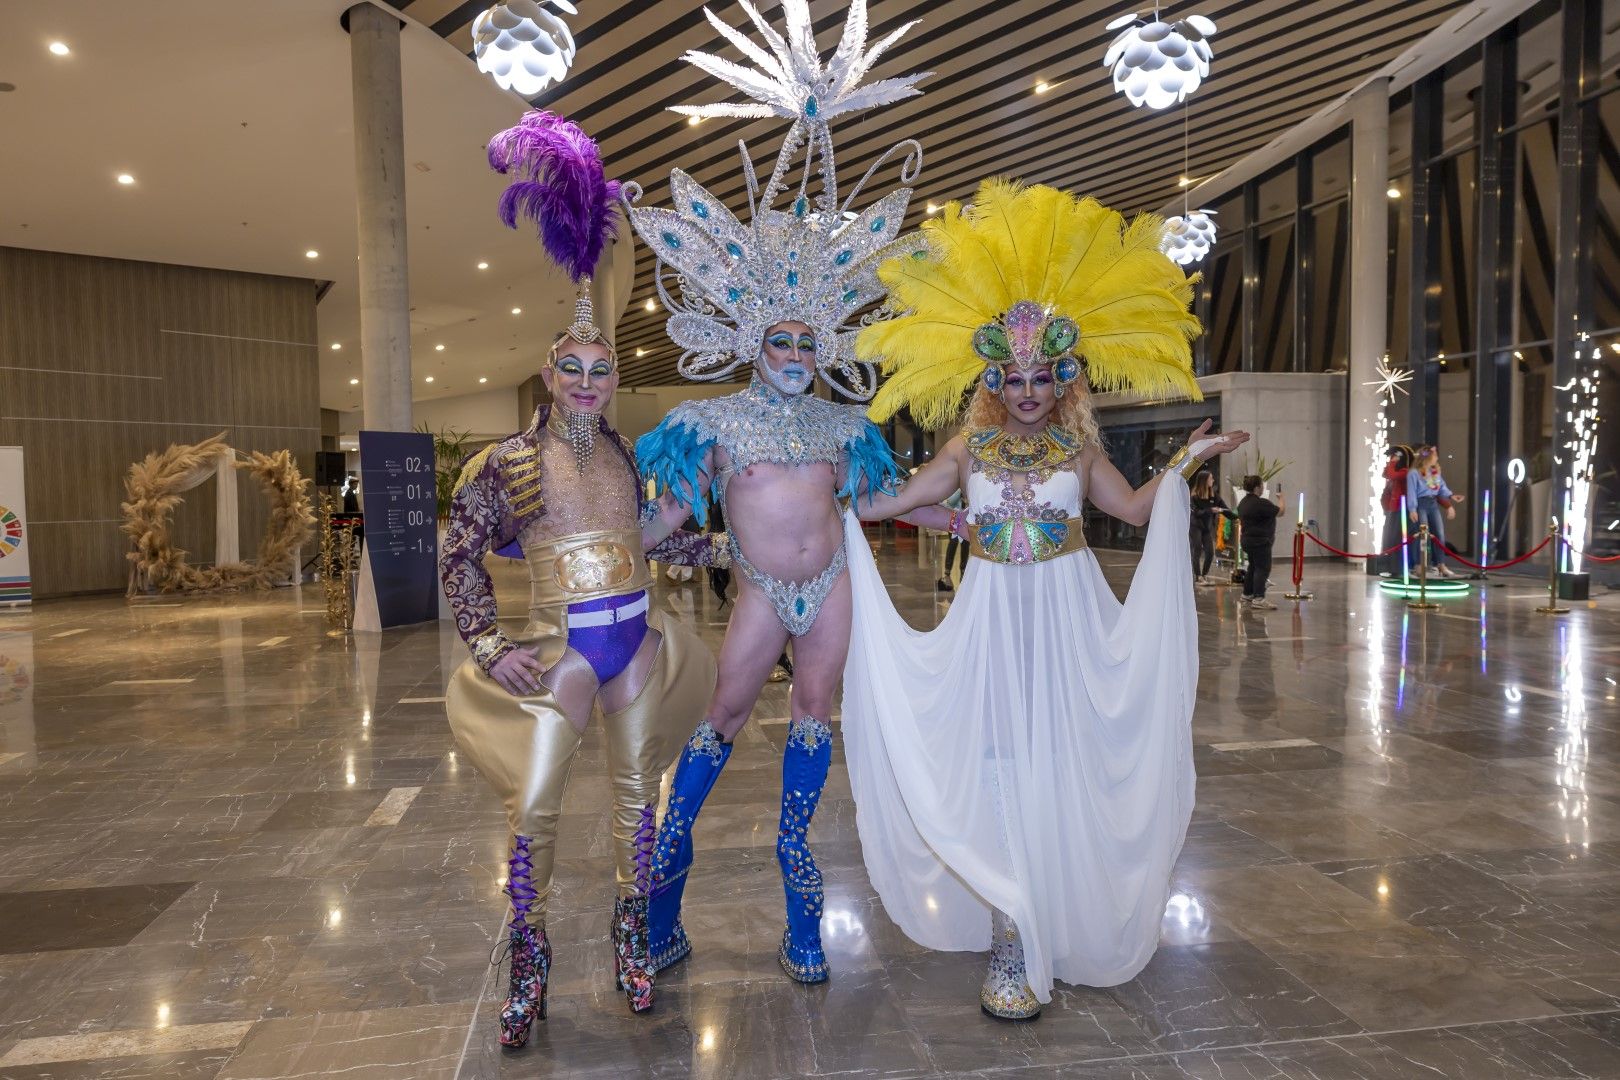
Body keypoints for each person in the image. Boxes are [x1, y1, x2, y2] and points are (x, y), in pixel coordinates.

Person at [838, 180, 1249, 1019]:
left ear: (1063, 376)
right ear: (993, 375)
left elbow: (1132, 510)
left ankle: (1051, 911)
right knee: (995, 760)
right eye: (1013, 376)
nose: (1027, 390)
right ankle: (1008, 928)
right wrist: (836, 480)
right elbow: (891, 502)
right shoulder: (966, 446)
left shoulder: (1079, 446)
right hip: (990, 618)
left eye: (1041, 376)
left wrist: (1185, 464)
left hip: (1066, 617)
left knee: (1056, 755)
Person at [623, 0, 950, 985]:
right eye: (784, 340)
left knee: (817, 710)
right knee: (723, 712)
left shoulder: (850, 429)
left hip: (836, 584)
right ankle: (666, 869)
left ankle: (797, 874)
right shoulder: (712, 425)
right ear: (750, 344)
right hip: (763, 587)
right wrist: (608, 541)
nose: (800, 353)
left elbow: (884, 506)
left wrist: (977, 511)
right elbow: (670, 517)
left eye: (811, 339)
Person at [439, 112, 723, 1050]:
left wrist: (718, 541)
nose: (592, 379)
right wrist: (488, 645)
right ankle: (529, 956)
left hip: (635, 644)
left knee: (640, 803)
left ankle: (631, 939)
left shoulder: (629, 457)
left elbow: (649, 548)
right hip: (560, 651)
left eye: (604, 367)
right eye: (575, 368)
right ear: (550, 375)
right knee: (538, 807)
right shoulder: (510, 464)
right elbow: (459, 551)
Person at [1407, 445, 1462, 576]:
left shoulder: (1434, 472)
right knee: (1422, 534)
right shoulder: (1414, 473)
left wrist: (1451, 496)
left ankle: (1441, 565)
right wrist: (1412, 509)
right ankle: (1419, 565)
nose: (1437, 457)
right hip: (1421, 504)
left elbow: (1441, 487)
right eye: (1435, 455)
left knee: (1439, 534)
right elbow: (1411, 492)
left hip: (1433, 504)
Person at [1236, 475, 1280, 609]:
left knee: (1253, 567)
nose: (1263, 488)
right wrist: (1280, 498)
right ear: (1257, 488)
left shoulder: (1243, 502)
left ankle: (1247, 594)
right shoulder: (1261, 503)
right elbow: (1280, 511)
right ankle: (1259, 598)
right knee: (1263, 568)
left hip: (1247, 541)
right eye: (1262, 485)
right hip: (1260, 542)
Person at [1188, 471, 1233, 584]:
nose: (1213, 481)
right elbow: (1196, 512)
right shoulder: (1194, 496)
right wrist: (1210, 510)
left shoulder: (1214, 496)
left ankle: (1204, 575)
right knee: (1197, 549)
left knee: (1210, 553)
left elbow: (1225, 510)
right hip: (1195, 526)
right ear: (1204, 481)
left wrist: (1237, 517)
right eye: (1210, 479)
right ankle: (1198, 576)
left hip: (1206, 528)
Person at [1379, 445, 1413, 576]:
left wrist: (1393, 462)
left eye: (1395, 457)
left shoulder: (1405, 472)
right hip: (1392, 510)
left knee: (1397, 539)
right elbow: (1386, 474)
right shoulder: (1396, 474)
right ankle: (1392, 568)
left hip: (1401, 510)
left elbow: (1392, 474)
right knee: (1390, 540)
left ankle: (1399, 569)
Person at [937, 489, 968, 591]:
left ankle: (963, 570)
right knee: (953, 543)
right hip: (956, 518)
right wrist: (960, 491)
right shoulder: (958, 489)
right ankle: (947, 572)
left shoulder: (970, 488)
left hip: (967, 519)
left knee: (965, 545)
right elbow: (951, 502)